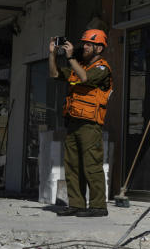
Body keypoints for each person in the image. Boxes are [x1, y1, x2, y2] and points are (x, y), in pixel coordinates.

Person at [48, 28, 113, 218]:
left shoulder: (102, 68)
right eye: (84, 43)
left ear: (99, 48)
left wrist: (69, 58)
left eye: (89, 44)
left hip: (90, 125)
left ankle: (98, 206)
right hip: (73, 122)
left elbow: (85, 79)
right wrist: (52, 54)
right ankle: (76, 204)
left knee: (91, 165)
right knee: (72, 165)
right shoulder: (79, 66)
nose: (84, 46)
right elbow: (54, 74)